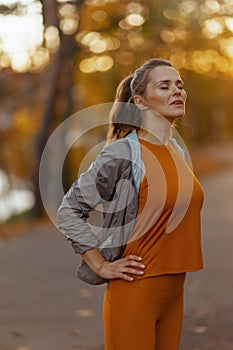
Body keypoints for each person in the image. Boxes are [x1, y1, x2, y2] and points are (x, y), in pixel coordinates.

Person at [57, 58, 204, 350]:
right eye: (164, 86)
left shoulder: (177, 151)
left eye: (179, 85)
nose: (177, 91)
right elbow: (68, 211)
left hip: (174, 293)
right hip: (136, 292)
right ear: (140, 101)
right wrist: (100, 265)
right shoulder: (122, 154)